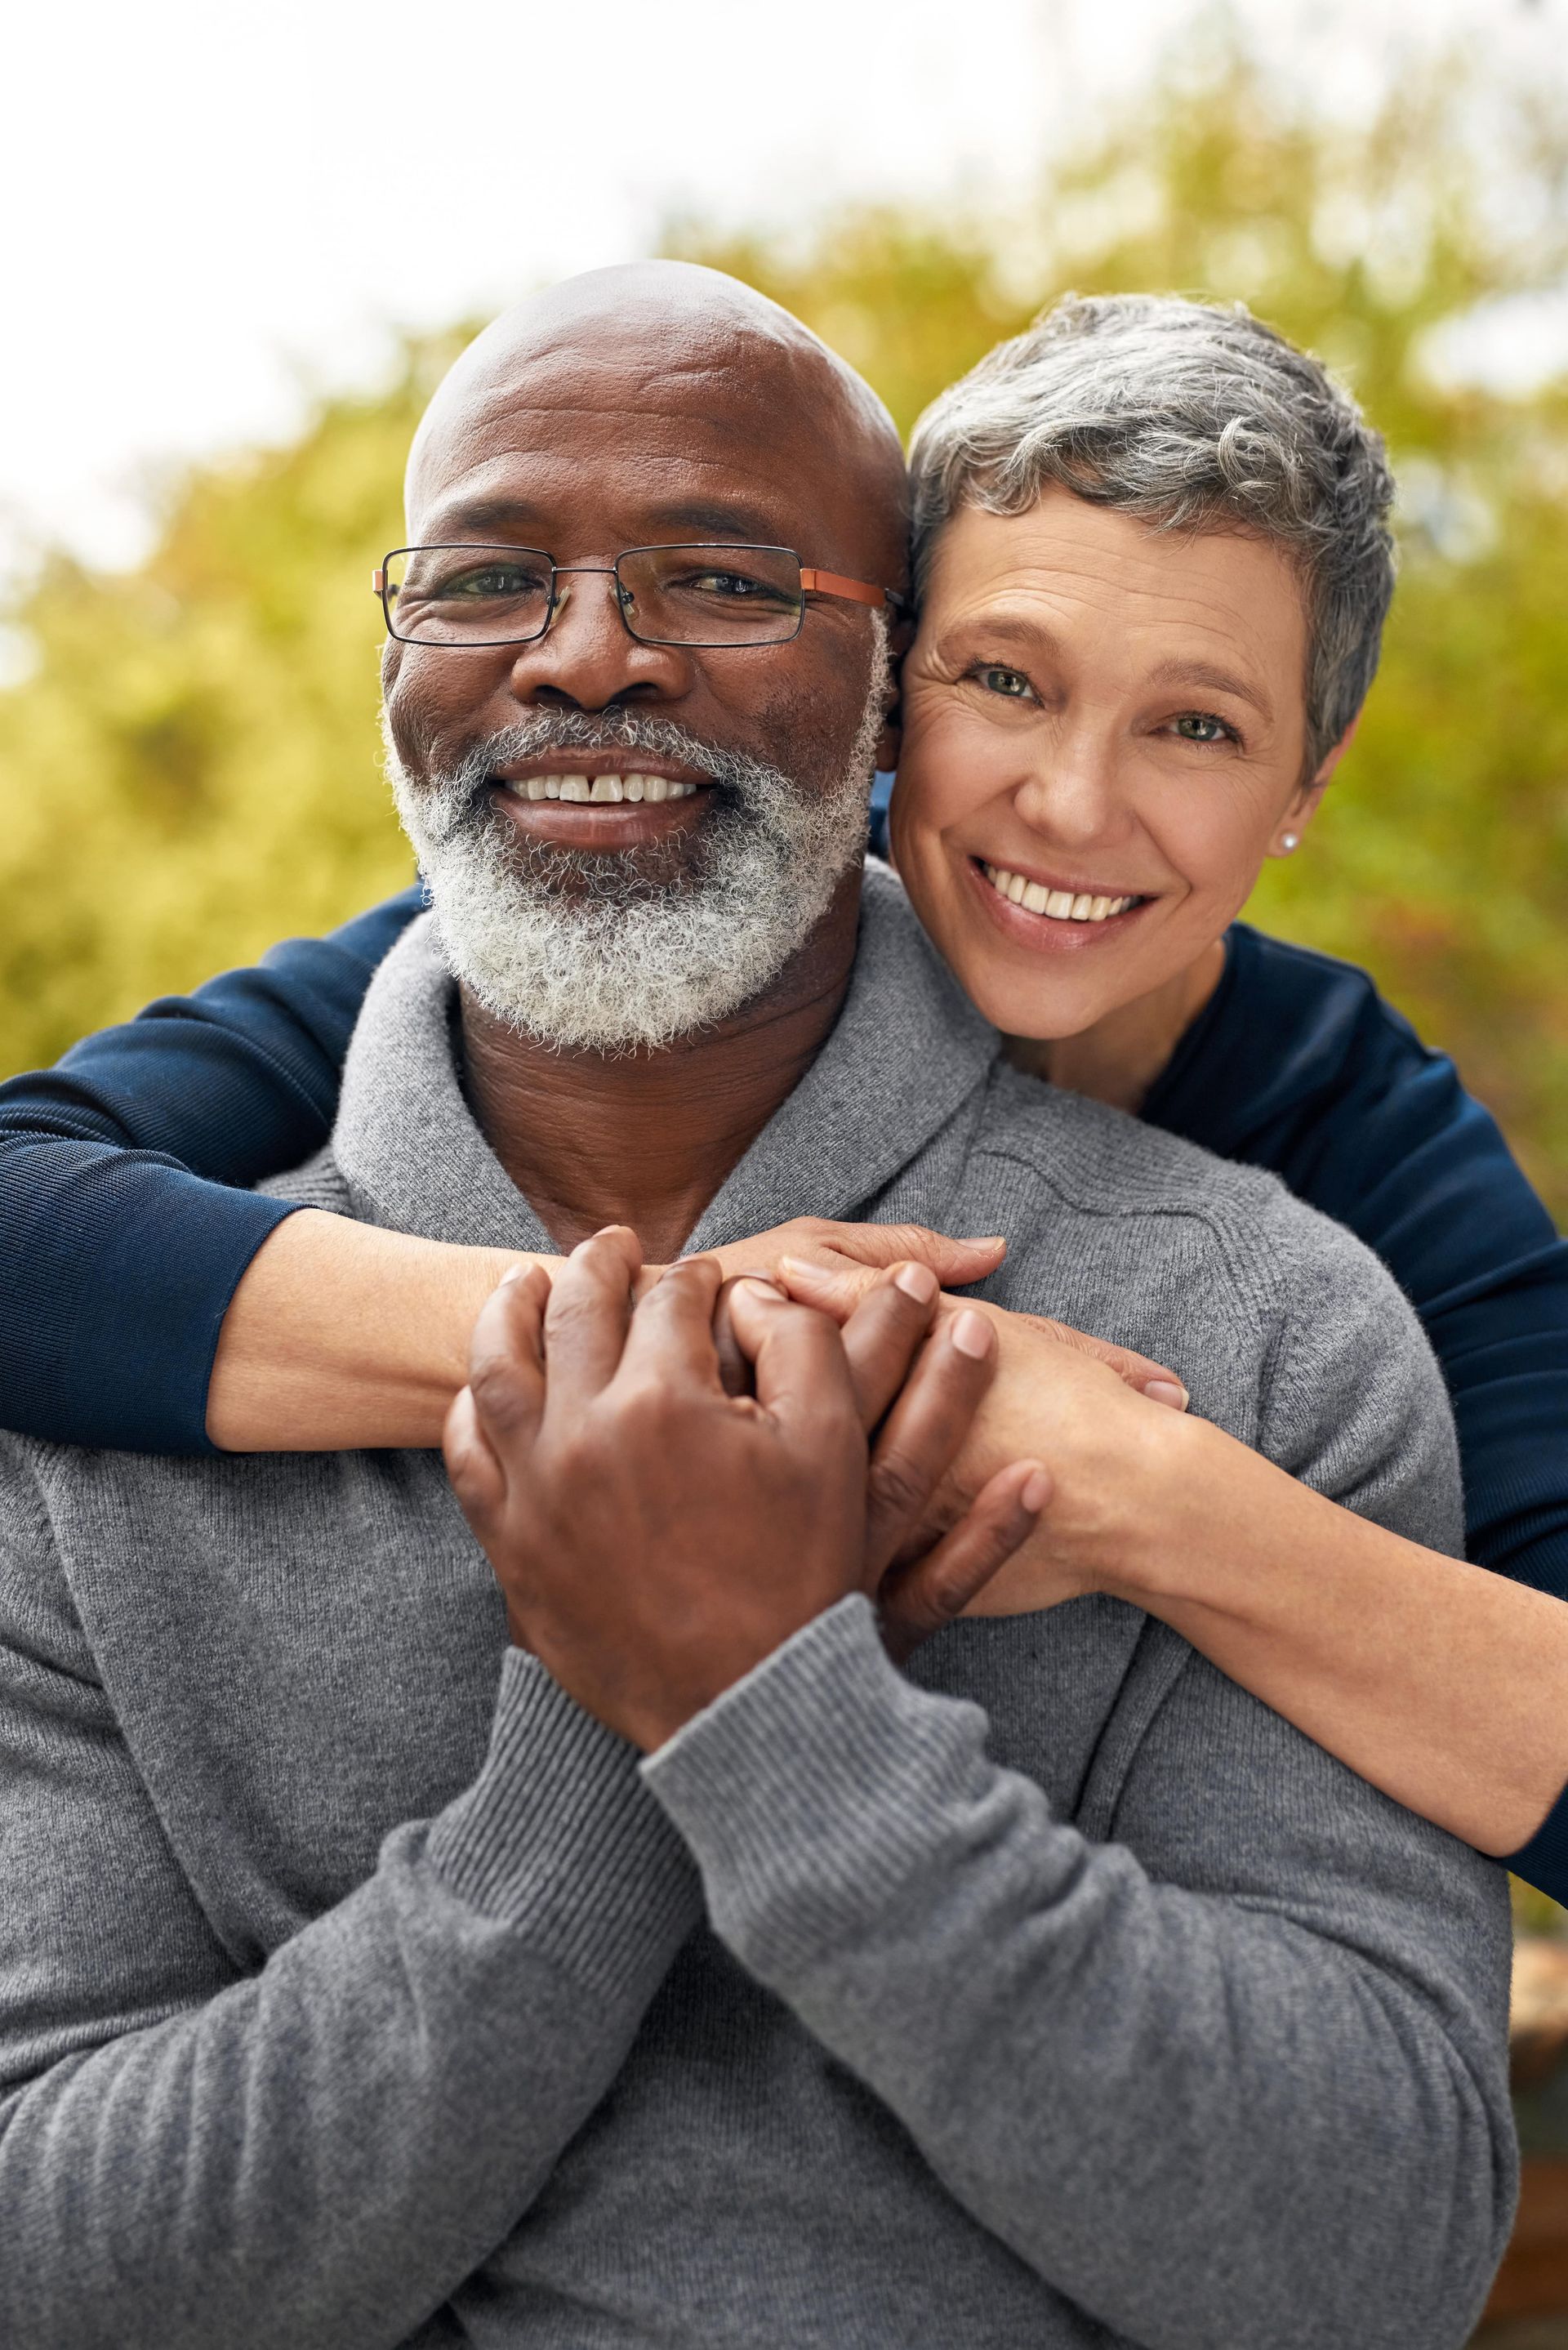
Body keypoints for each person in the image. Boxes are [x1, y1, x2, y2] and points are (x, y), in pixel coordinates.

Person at [0, 264, 1514, 2348]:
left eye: (718, 576)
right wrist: (663, 1586)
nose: (593, 657)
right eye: (489, 572)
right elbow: (53, 2269)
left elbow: (1370, 2269)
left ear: (870, 687)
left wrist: (811, 1698)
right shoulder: (97, 1373)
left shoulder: (1283, 1309)